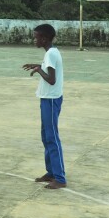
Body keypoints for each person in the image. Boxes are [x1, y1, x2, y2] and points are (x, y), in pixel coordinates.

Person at [23, 24, 67, 189]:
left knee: (52, 137)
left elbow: (51, 79)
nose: (34, 40)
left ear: (44, 38)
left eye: (36, 37)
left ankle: (60, 178)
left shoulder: (50, 54)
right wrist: (39, 66)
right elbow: (50, 72)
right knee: (46, 136)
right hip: (49, 98)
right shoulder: (51, 52)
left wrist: (39, 70)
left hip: (51, 99)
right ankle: (51, 172)